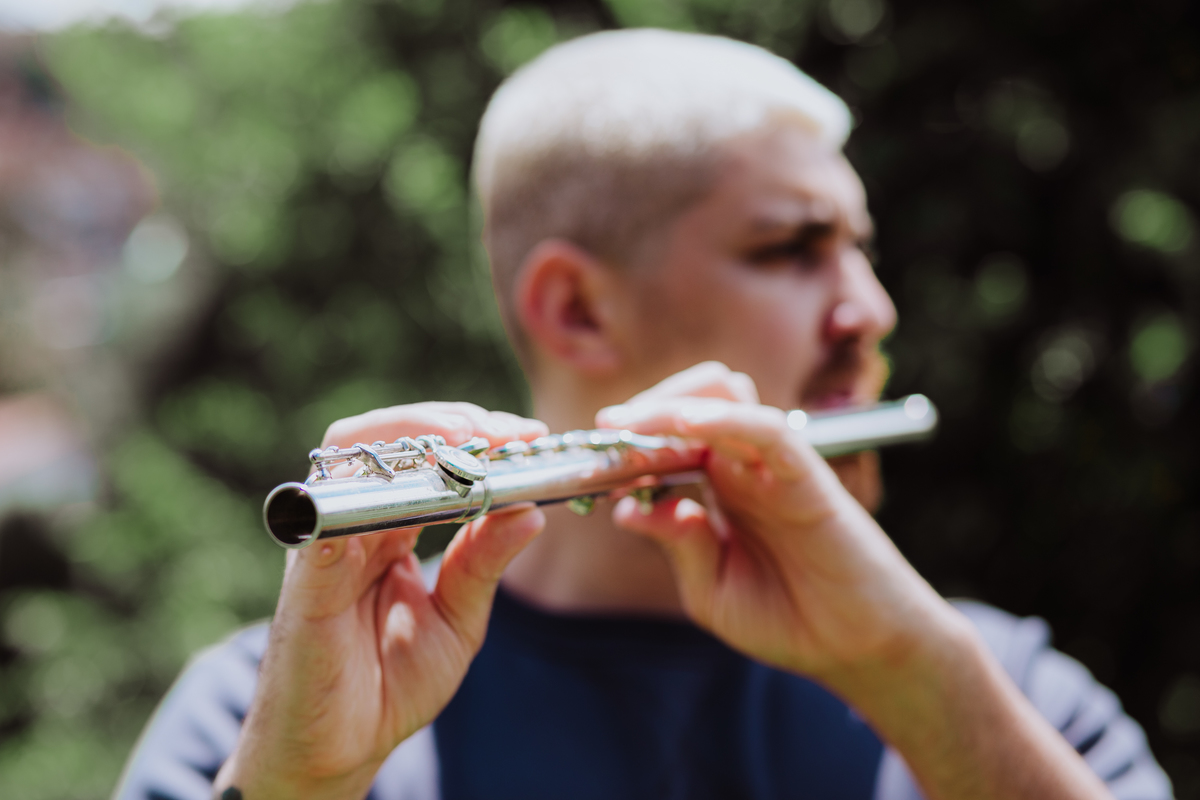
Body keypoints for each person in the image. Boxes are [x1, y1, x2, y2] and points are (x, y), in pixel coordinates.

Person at [114, 29, 1171, 800]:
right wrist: (299, 784)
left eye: (862, 247)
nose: (870, 309)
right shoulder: (273, 705)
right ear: (575, 308)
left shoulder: (1009, 687)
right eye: (792, 248)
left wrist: (922, 684)